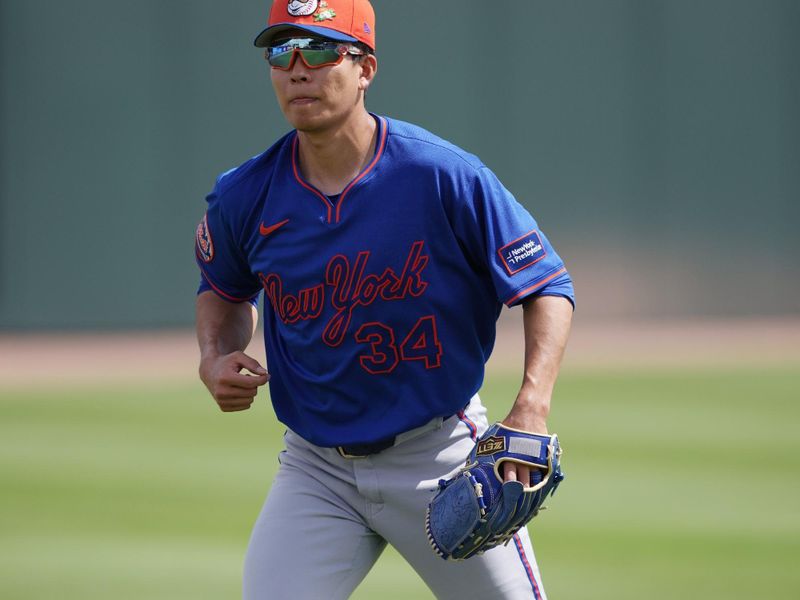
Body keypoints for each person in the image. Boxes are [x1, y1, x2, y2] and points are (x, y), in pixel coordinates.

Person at [194, 1, 574, 598]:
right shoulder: (245, 195)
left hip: (438, 455)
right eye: (281, 52)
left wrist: (531, 405)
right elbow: (221, 288)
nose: (298, 69)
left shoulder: (442, 175)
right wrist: (215, 354)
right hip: (315, 470)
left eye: (319, 50)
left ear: (365, 68)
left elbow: (547, 285)